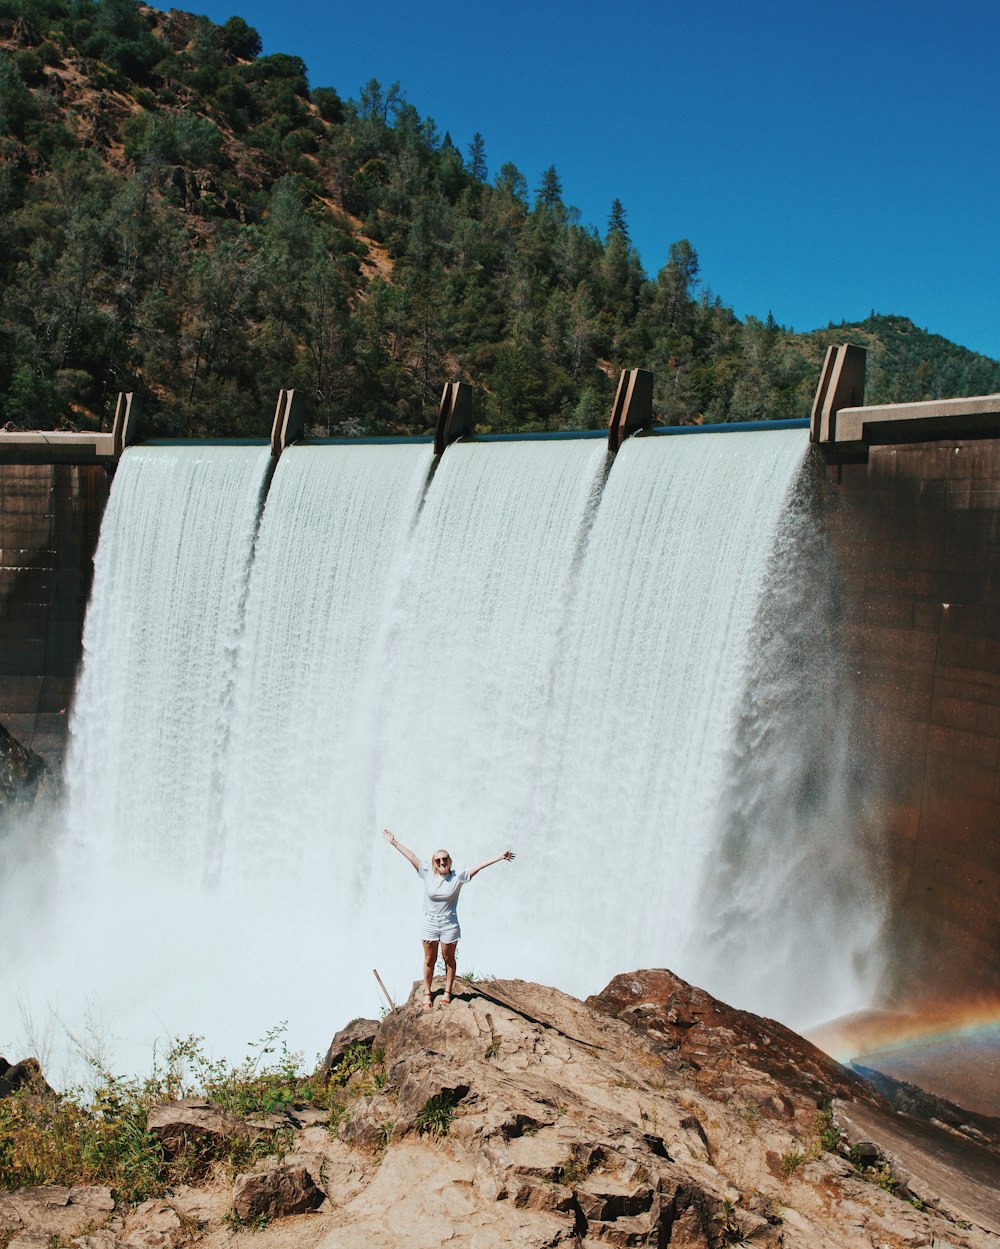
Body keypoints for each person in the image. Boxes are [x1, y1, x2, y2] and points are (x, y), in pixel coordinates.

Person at [382, 828, 515, 1008]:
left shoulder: (458, 876)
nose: (442, 862)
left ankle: (447, 992)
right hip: (430, 923)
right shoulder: (426, 873)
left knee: (448, 958)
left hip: (449, 924)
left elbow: (479, 866)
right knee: (429, 959)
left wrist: (500, 857)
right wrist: (394, 842)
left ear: (450, 861)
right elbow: (412, 856)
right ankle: (428, 993)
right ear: (434, 864)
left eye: (445, 859)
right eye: (438, 860)